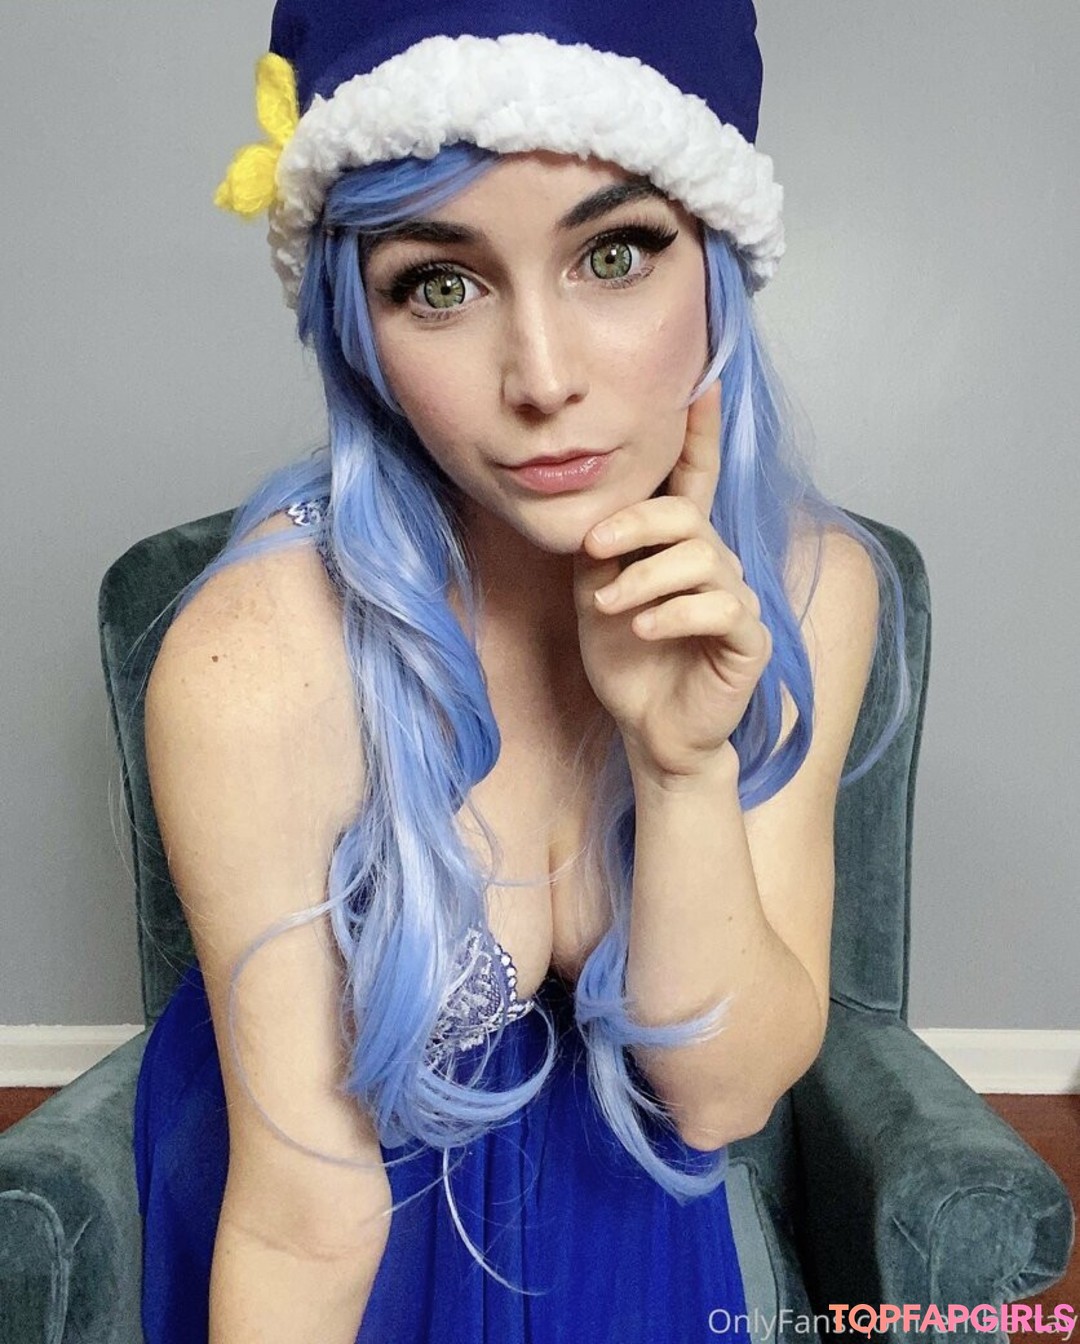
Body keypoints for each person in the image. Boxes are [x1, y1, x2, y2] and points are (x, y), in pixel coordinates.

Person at [130, 1, 911, 1340]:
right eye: (441, 284)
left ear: (716, 257)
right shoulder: (253, 665)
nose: (541, 379)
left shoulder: (807, 584)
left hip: (634, 1219)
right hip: (351, 1251)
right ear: (358, 323)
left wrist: (680, 769)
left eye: (614, 254)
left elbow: (723, 1097)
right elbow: (302, 1221)